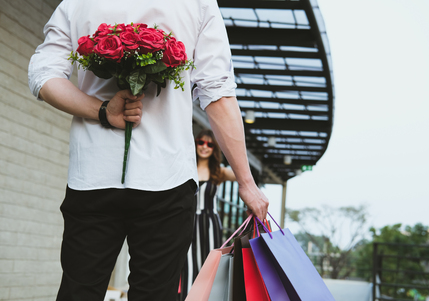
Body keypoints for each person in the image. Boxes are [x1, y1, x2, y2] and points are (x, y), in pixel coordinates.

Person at [28, 0, 269, 300]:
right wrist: (247, 183)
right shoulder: (197, 3)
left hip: (93, 175)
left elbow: (42, 75)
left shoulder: (77, 2)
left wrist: (102, 111)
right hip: (166, 178)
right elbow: (217, 91)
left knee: (79, 292)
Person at [179, 130, 236, 298]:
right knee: (187, 264)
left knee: (209, 265)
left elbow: (243, 175)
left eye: (210, 144)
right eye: (201, 142)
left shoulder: (219, 172)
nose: (204, 147)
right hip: (187, 223)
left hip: (210, 224)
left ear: (214, 149)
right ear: (195, 143)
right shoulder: (185, 167)